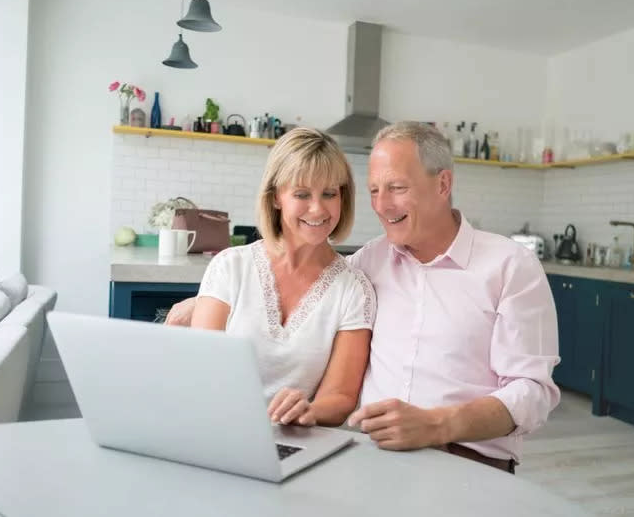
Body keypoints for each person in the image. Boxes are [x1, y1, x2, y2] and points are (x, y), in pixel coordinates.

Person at [168, 122, 559, 473]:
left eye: (397, 188)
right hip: (373, 454)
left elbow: (533, 392)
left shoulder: (511, 267)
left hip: (468, 458)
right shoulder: (371, 261)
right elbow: (308, 271)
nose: (383, 205)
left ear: (443, 185)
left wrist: (440, 423)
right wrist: (201, 302)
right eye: (374, 190)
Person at [189, 127, 376, 428]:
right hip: (219, 429)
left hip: (298, 442)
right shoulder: (229, 267)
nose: (318, 209)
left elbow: (340, 397)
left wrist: (309, 411)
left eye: (329, 193)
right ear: (276, 197)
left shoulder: (354, 290)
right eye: (302, 194)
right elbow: (201, 371)